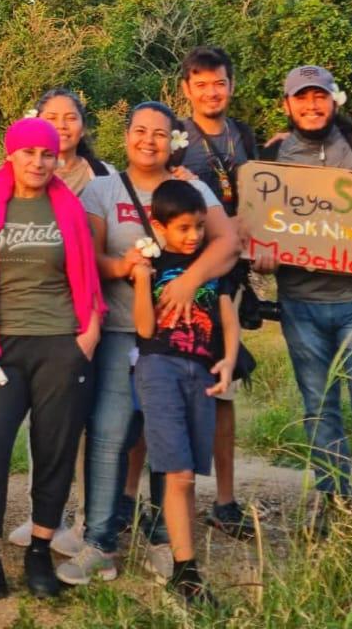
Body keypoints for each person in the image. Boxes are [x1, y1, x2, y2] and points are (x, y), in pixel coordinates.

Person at [61, 102, 237, 585]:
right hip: (120, 329)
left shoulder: (192, 187)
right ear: (126, 136)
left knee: (168, 436)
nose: (149, 141)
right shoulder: (102, 189)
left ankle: (164, 539)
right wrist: (125, 269)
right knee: (110, 431)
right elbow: (88, 256)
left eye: (160, 134)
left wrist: (188, 281)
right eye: (140, 131)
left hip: (182, 341)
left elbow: (227, 244)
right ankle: (99, 540)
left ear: (174, 141)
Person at [0, 118, 104, 605]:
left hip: (60, 342)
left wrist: (88, 335)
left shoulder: (69, 208)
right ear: (10, 155)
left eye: (46, 154)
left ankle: (38, 551)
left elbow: (89, 273)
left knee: (54, 450)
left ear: (56, 159)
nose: (37, 161)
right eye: (27, 152)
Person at [255, 66, 352, 530]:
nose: (311, 106)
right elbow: (261, 228)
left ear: (334, 100)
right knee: (319, 409)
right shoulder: (272, 156)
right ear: (287, 104)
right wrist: (263, 255)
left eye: (319, 97)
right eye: (302, 98)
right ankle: (334, 504)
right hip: (301, 304)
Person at [7, 87, 111, 552]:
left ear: (83, 126)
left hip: (87, 315)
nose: (63, 125)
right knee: (42, 425)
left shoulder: (104, 179)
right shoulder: (19, 178)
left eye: (71, 118)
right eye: (53, 117)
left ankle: (87, 522)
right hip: (37, 321)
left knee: (85, 425)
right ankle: (45, 515)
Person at [131, 180, 239, 608]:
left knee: (190, 474)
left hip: (201, 371)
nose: (193, 236)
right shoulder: (154, 264)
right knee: (176, 472)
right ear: (159, 226)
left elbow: (227, 318)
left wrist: (229, 360)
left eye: (198, 227)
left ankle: (184, 562)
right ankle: (185, 568)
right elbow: (143, 328)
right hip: (159, 367)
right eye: (183, 229)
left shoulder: (212, 269)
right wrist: (141, 279)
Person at [175, 45, 258, 539]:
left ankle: (224, 500)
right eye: (201, 83)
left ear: (231, 85)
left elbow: (267, 202)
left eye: (219, 82)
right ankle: (151, 500)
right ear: (186, 89)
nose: (211, 91)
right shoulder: (175, 138)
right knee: (164, 387)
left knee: (222, 389)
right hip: (182, 278)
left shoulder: (244, 137)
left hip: (229, 279)